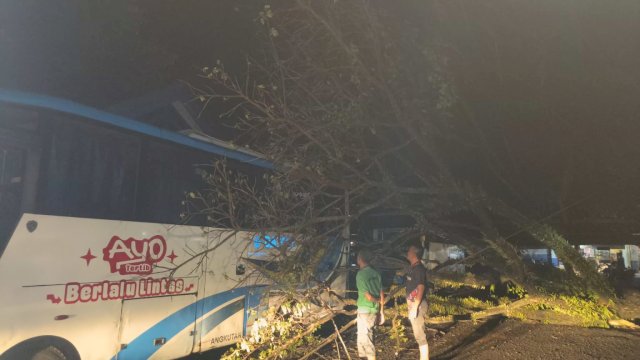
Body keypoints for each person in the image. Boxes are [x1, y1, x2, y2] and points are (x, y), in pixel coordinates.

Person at [356, 249, 384, 360]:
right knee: (364, 336)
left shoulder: (361, 275)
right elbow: (382, 292)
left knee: (366, 338)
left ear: (360, 259)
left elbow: (368, 296)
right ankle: (363, 357)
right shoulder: (376, 273)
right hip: (374, 310)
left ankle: (370, 357)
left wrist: (376, 301)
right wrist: (381, 311)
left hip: (364, 310)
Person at [406, 244, 429, 360]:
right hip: (414, 305)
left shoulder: (419, 269)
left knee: (419, 334)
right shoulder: (414, 268)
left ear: (414, 253)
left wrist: (415, 307)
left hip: (418, 306)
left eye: (409, 250)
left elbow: (421, 288)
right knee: (417, 333)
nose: (407, 252)